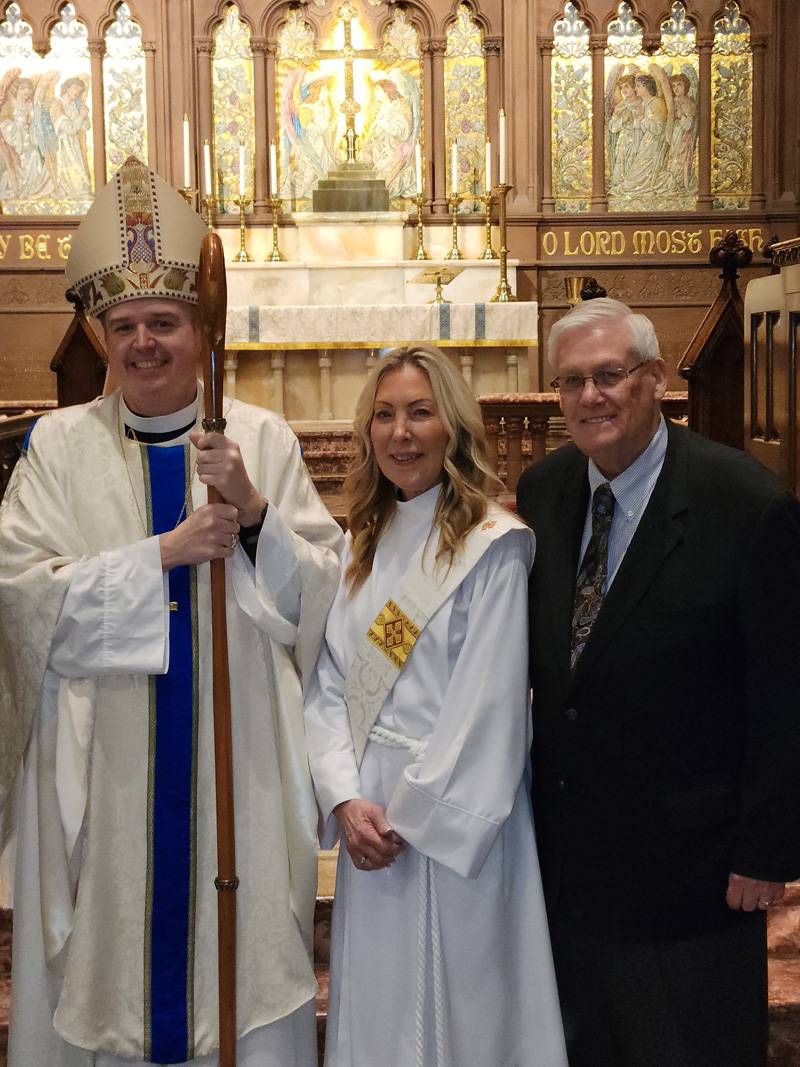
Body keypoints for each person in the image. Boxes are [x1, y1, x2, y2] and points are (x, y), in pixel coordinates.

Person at [0, 156, 343, 1066]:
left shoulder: (260, 438)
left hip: (237, 766)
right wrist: (165, 553)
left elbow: (325, 595)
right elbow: (21, 595)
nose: (145, 341)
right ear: (99, 335)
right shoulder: (58, 446)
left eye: (165, 321)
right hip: (104, 762)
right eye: (125, 325)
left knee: (240, 958)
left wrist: (258, 514)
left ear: (202, 330)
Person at [516, 298, 800, 1066]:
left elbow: (785, 690)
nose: (590, 397)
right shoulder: (544, 491)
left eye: (610, 375)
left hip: (693, 876)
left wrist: (769, 848)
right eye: (571, 382)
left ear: (657, 379)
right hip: (571, 870)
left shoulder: (743, 502)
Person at [305, 346, 567, 1067]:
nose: (401, 432)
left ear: (453, 425)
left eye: (420, 412)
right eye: (384, 414)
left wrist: (411, 819)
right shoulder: (365, 541)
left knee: (470, 1010)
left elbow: (491, 704)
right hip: (373, 817)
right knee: (382, 1014)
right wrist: (345, 797)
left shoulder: (495, 546)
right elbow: (333, 681)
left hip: (456, 826)